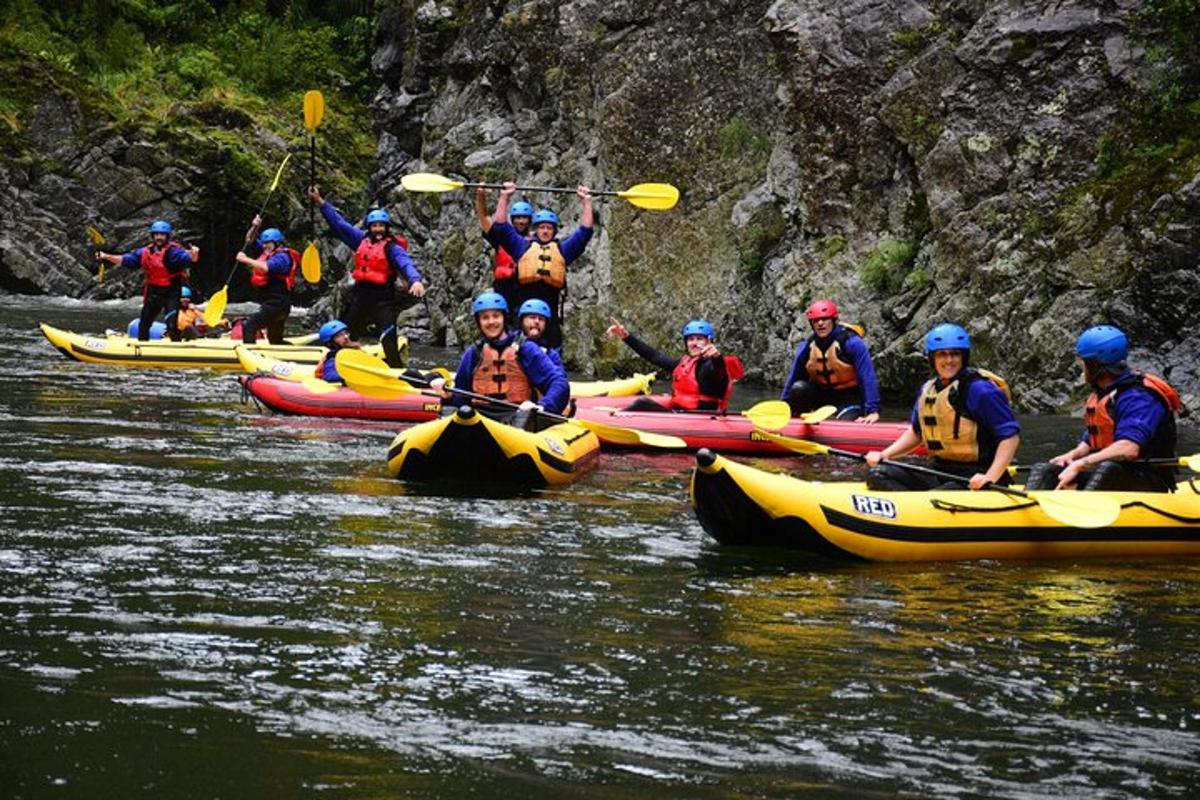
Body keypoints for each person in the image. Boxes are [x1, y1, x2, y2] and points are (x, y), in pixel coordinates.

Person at [1024, 325, 1181, 492]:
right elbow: (1091, 439)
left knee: (1107, 469)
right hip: (1112, 472)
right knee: (1045, 470)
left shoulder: (1139, 397)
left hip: (1149, 480)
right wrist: (1072, 456)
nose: (1082, 367)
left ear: (1095, 365)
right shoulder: (1103, 393)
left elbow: (1128, 448)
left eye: (1083, 362)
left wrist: (1081, 464)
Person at [864, 323, 1020, 490]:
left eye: (955, 354)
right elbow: (917, 433)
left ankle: (923, 510)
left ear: (963, 357)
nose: (949, 360)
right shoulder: (928, 389)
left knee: (940, 495)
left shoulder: (979, 390)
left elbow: (1010, 437)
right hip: (941, 472)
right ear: (932, 358)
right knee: (879, 474)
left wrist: (990, 477)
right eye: (942, 355)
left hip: (977, 476)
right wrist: (885, 454)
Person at [307, 186, 426, 367]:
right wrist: (320, 202)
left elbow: (405, 264)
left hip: (383, 301)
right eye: (375, 225)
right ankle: (342, 368)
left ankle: (397, 372)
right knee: (344, 335)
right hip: (360, 297)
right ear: (370, 227)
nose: (378, 229)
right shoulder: (360, 240)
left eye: (381, 226)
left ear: (386, 227)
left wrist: (415, 280)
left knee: (388, 340)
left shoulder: (392, 248)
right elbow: (339, 224)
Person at [428, 292, 570, 429]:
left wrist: (543, 405)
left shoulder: (526, 348)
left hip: (516, 416)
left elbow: (559, 383)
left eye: (496, 316)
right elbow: (461, 396)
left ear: (504, 318)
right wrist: (448, 395)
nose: (491, 322)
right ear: (479, 322)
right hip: (479, 416)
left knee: (524, 419)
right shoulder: (474, 353)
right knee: (450, 411)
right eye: (485, 317)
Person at [482, 181, 594, 349]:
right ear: (535, 230)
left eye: (549, 228)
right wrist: (505, 197)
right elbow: (501, 226)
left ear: (554, 231)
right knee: (518, 351)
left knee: (552, 351)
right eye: (541, 227)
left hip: (550, 318)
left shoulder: (563, 250)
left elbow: (585, 231)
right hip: (523, 314)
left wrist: (586, 202)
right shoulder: (522, 247)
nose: (545, 231)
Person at [605, 318, 744, 412]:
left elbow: (719, 372)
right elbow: (654, 356)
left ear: (709, 342)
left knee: (641, 404)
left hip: (700, 418)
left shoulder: (711, 366)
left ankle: (614, 420)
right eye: (690, 339)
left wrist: (717, 357)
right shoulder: (685, 364)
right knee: (642, 401)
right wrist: (626, 336)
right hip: (681, 411)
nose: (694, 343)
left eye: (699, 339)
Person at [96, 219, 198, 342]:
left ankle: (177, 348)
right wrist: (107, 256)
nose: (159, 237)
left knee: (172, 325)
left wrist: (194, 254)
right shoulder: (145, 252)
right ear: (153, 236)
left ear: (167, 236)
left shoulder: (174, 252)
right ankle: (142, 348)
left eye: (162, 235)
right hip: (153, 292)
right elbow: (126, 259)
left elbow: (189, 259)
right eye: (157, 234)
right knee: (144, 325)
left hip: (171, 293)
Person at [781, 299, 881, 422]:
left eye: (825, 319)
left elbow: (868, 377)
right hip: (820, 395)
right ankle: (796, 423)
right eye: (816, 320)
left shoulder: (852, 343)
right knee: (798, 388)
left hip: (848, 397)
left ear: (833, 321)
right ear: (812, 324)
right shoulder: (807, 347)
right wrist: (783, 408)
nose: (820, 324)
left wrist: (873, 411)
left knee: (846, 424)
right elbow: (793, 378)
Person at [234, 218, 298, 345]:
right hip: (274, 303)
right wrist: (254, 227)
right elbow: (249, 240)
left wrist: (246, 259)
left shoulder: (282, 257)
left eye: (267, 243)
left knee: (249, 326)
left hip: (277, 304)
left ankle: (248, 355)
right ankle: (283, 356)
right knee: (274, 339)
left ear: (277, 243)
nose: (264, 246)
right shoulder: (268, 251)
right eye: (263, 243)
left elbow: (266, 267)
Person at [477, 189, 533, 310]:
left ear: (530, 220)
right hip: (504, 289)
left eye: (525, 218)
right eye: (518, 218)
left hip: (526, 289)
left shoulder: (536, 241)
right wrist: (480, 195)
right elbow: (484, 217)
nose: (521, 221)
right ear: (512, 220)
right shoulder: (502, 238)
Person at [517, 299, 564, 371]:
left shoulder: (551, 355)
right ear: (522, 321)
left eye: (541, 319)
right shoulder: (509, 345)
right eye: (532, 317)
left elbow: (559, 378)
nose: (537, 321)